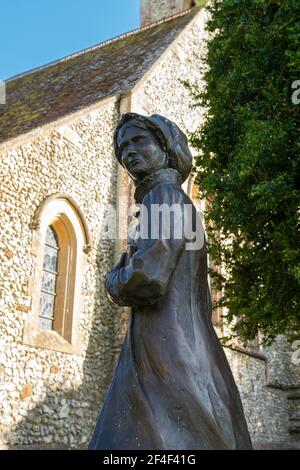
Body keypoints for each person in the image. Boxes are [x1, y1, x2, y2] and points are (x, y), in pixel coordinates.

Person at [88, 113, 252, 450]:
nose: (128, 152)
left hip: (164, 351)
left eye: (138, 141)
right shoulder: (169, 198)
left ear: (164, 146)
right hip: (182, 347)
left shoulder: (163, 195)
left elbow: (148, 277)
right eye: (123, 148)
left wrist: (113, 280)